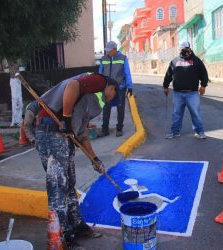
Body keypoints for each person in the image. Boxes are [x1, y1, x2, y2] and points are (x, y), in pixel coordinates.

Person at [35, 72, 119, 249]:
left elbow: (82, 134)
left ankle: (76, 226)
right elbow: (73, 85)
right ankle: (62, 236)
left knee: (69, 184)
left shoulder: (89, 101)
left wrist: (94, 159)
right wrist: (65, 118)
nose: (111, 100)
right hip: (52, 131)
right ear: (111, 87)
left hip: (62, 135)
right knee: (58, 186)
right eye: (114, 94)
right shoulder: (100, 81)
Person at [163, 41, 209, 139]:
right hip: (178, 94)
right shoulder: (174, 61)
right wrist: (165, 86)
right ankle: (175, 132)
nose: (184, 52)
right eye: (182, 50)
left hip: (192, 93)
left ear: (189, 49)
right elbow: (168, 74)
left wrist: (203, 86)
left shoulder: (196, 61)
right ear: (180, 50)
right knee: (176, 113)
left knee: (195, 113)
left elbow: (204, 73)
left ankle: (200, 132)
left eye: (186, 49)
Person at [98, 41, 133, 137]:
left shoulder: (123, 58)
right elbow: (100, 74)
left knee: (120, 108)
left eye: (110, 50)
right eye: (107, 51)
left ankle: (119, 129)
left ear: (115, 49)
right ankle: (105, 129)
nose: (108, 52)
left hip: (120, 88)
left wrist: (129, 86)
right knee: (106, 108)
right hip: (107, 89)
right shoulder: (104, 59)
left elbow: (127, 73)